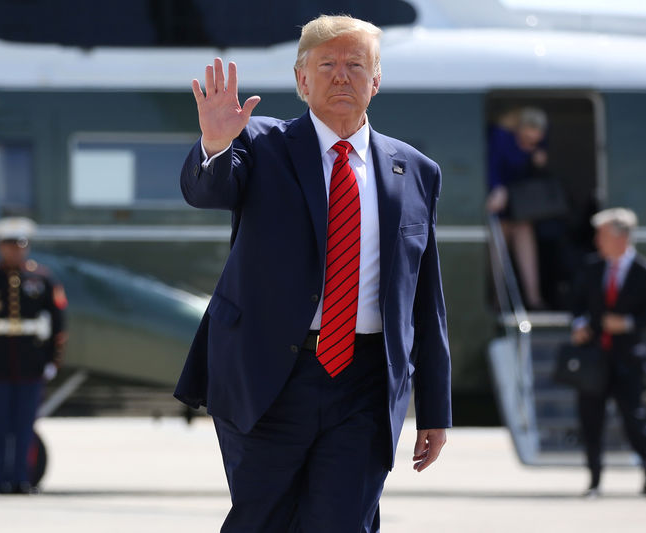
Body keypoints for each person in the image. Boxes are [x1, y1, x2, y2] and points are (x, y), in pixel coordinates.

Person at [174, 14, 451, 532]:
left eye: (356, 65)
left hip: (365, 384)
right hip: (269, 377)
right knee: (263, 521)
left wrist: (435, 407)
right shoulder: (258, 143)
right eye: (327, 65)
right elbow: (208, 190)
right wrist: (214, 145)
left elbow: (424, 299)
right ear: (302, 81)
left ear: (376, 80)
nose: (341, 76)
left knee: (344, 522)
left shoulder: (414, 170)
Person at [0, 217, 68, 494]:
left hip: (30, 364)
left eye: (20, 246)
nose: (16, 252)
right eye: (10, 246)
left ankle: (22, 478)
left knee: (24, 427)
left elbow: (58, 323)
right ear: (0, 247)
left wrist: (52, 361)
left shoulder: (42, 279)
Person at [570, 208, 646, 498]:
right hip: (594, 358)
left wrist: (626, 323)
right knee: (591, 420)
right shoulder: (591, 268)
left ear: (620, 237)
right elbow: (576, 304)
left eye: (602, 234)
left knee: (633, 418)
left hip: (629, 358)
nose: (597, 241)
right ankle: (594, 480)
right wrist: (579, 324)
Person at [486, 107, 549, 309]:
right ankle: (499, 302)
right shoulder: (501, 137)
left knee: (527, 247)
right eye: (527, 139)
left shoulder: (540, 143)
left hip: (521, 204)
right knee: (498, 254)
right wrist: (496, 188)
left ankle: (534, 299)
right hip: (500, 200)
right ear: (519, 130)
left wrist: (538, 162)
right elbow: (491, 165)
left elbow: (533, 176)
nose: (531, 143)